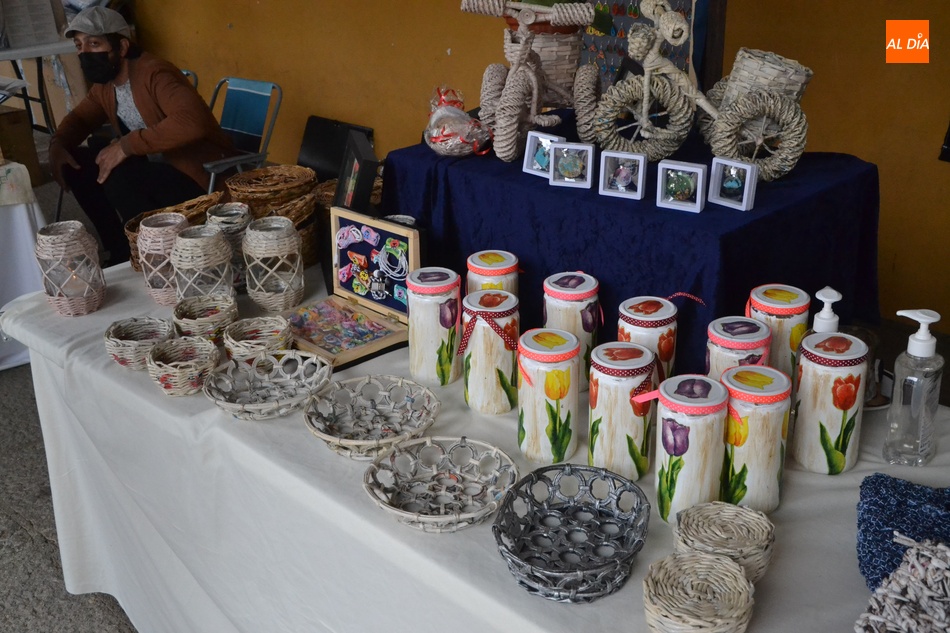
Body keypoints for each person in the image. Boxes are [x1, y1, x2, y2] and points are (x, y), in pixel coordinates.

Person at [49, 6, 237, 265]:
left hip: (193, 173)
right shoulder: (106, 84)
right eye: (79, 46)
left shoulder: (156, 73)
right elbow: (80, 118)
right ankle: (119, 250)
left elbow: (192, 121)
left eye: (94, 44)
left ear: (122, 47)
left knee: (118, 176)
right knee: (77, 164)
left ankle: (151, 253)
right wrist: (58, 144)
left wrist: (126, 146)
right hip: (151, 167)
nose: (85, 53)